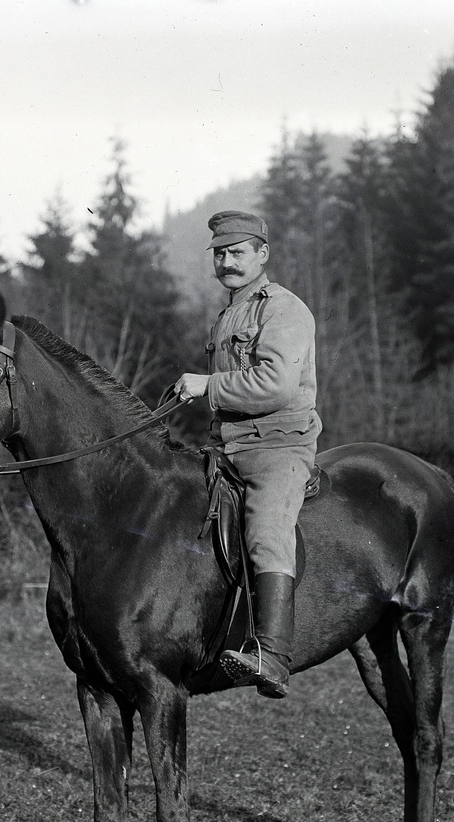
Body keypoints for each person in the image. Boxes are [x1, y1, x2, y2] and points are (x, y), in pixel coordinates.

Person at [173, 210, 319, 699]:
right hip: (228, 446)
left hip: (279, 446)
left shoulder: (284, 310)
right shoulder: (230, 313)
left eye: (237, 252)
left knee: (266, 530)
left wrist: (208, 383)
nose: (227, 262)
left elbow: (274, 385)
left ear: (263, 254)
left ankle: (272, 656)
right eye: (220, 254)